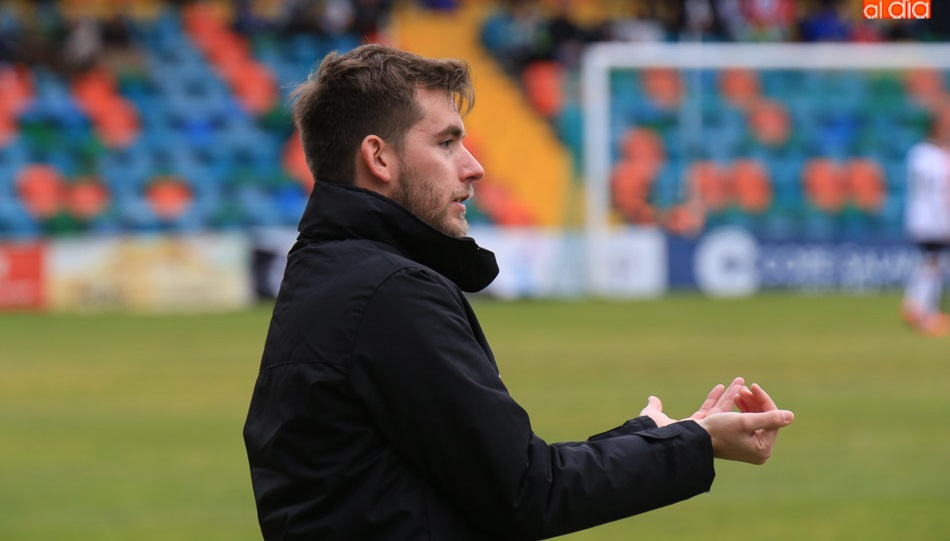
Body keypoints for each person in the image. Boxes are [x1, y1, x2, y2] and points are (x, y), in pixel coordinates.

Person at [242, 43, 794, 540]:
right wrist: (696, 444)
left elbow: (484, 478)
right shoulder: (388, 293)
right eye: (446, 142)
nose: (474, 167)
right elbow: (528, 494)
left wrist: (653, 434)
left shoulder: (329, 273)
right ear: (379, 157)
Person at [901, 104, 950, 337]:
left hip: (920, 217)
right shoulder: (936, 157)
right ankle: (924, 312)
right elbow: (939, 191)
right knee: (933, 264)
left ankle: (916, 307)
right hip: (935, 219)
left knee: (930, 263)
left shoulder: (917, 153)